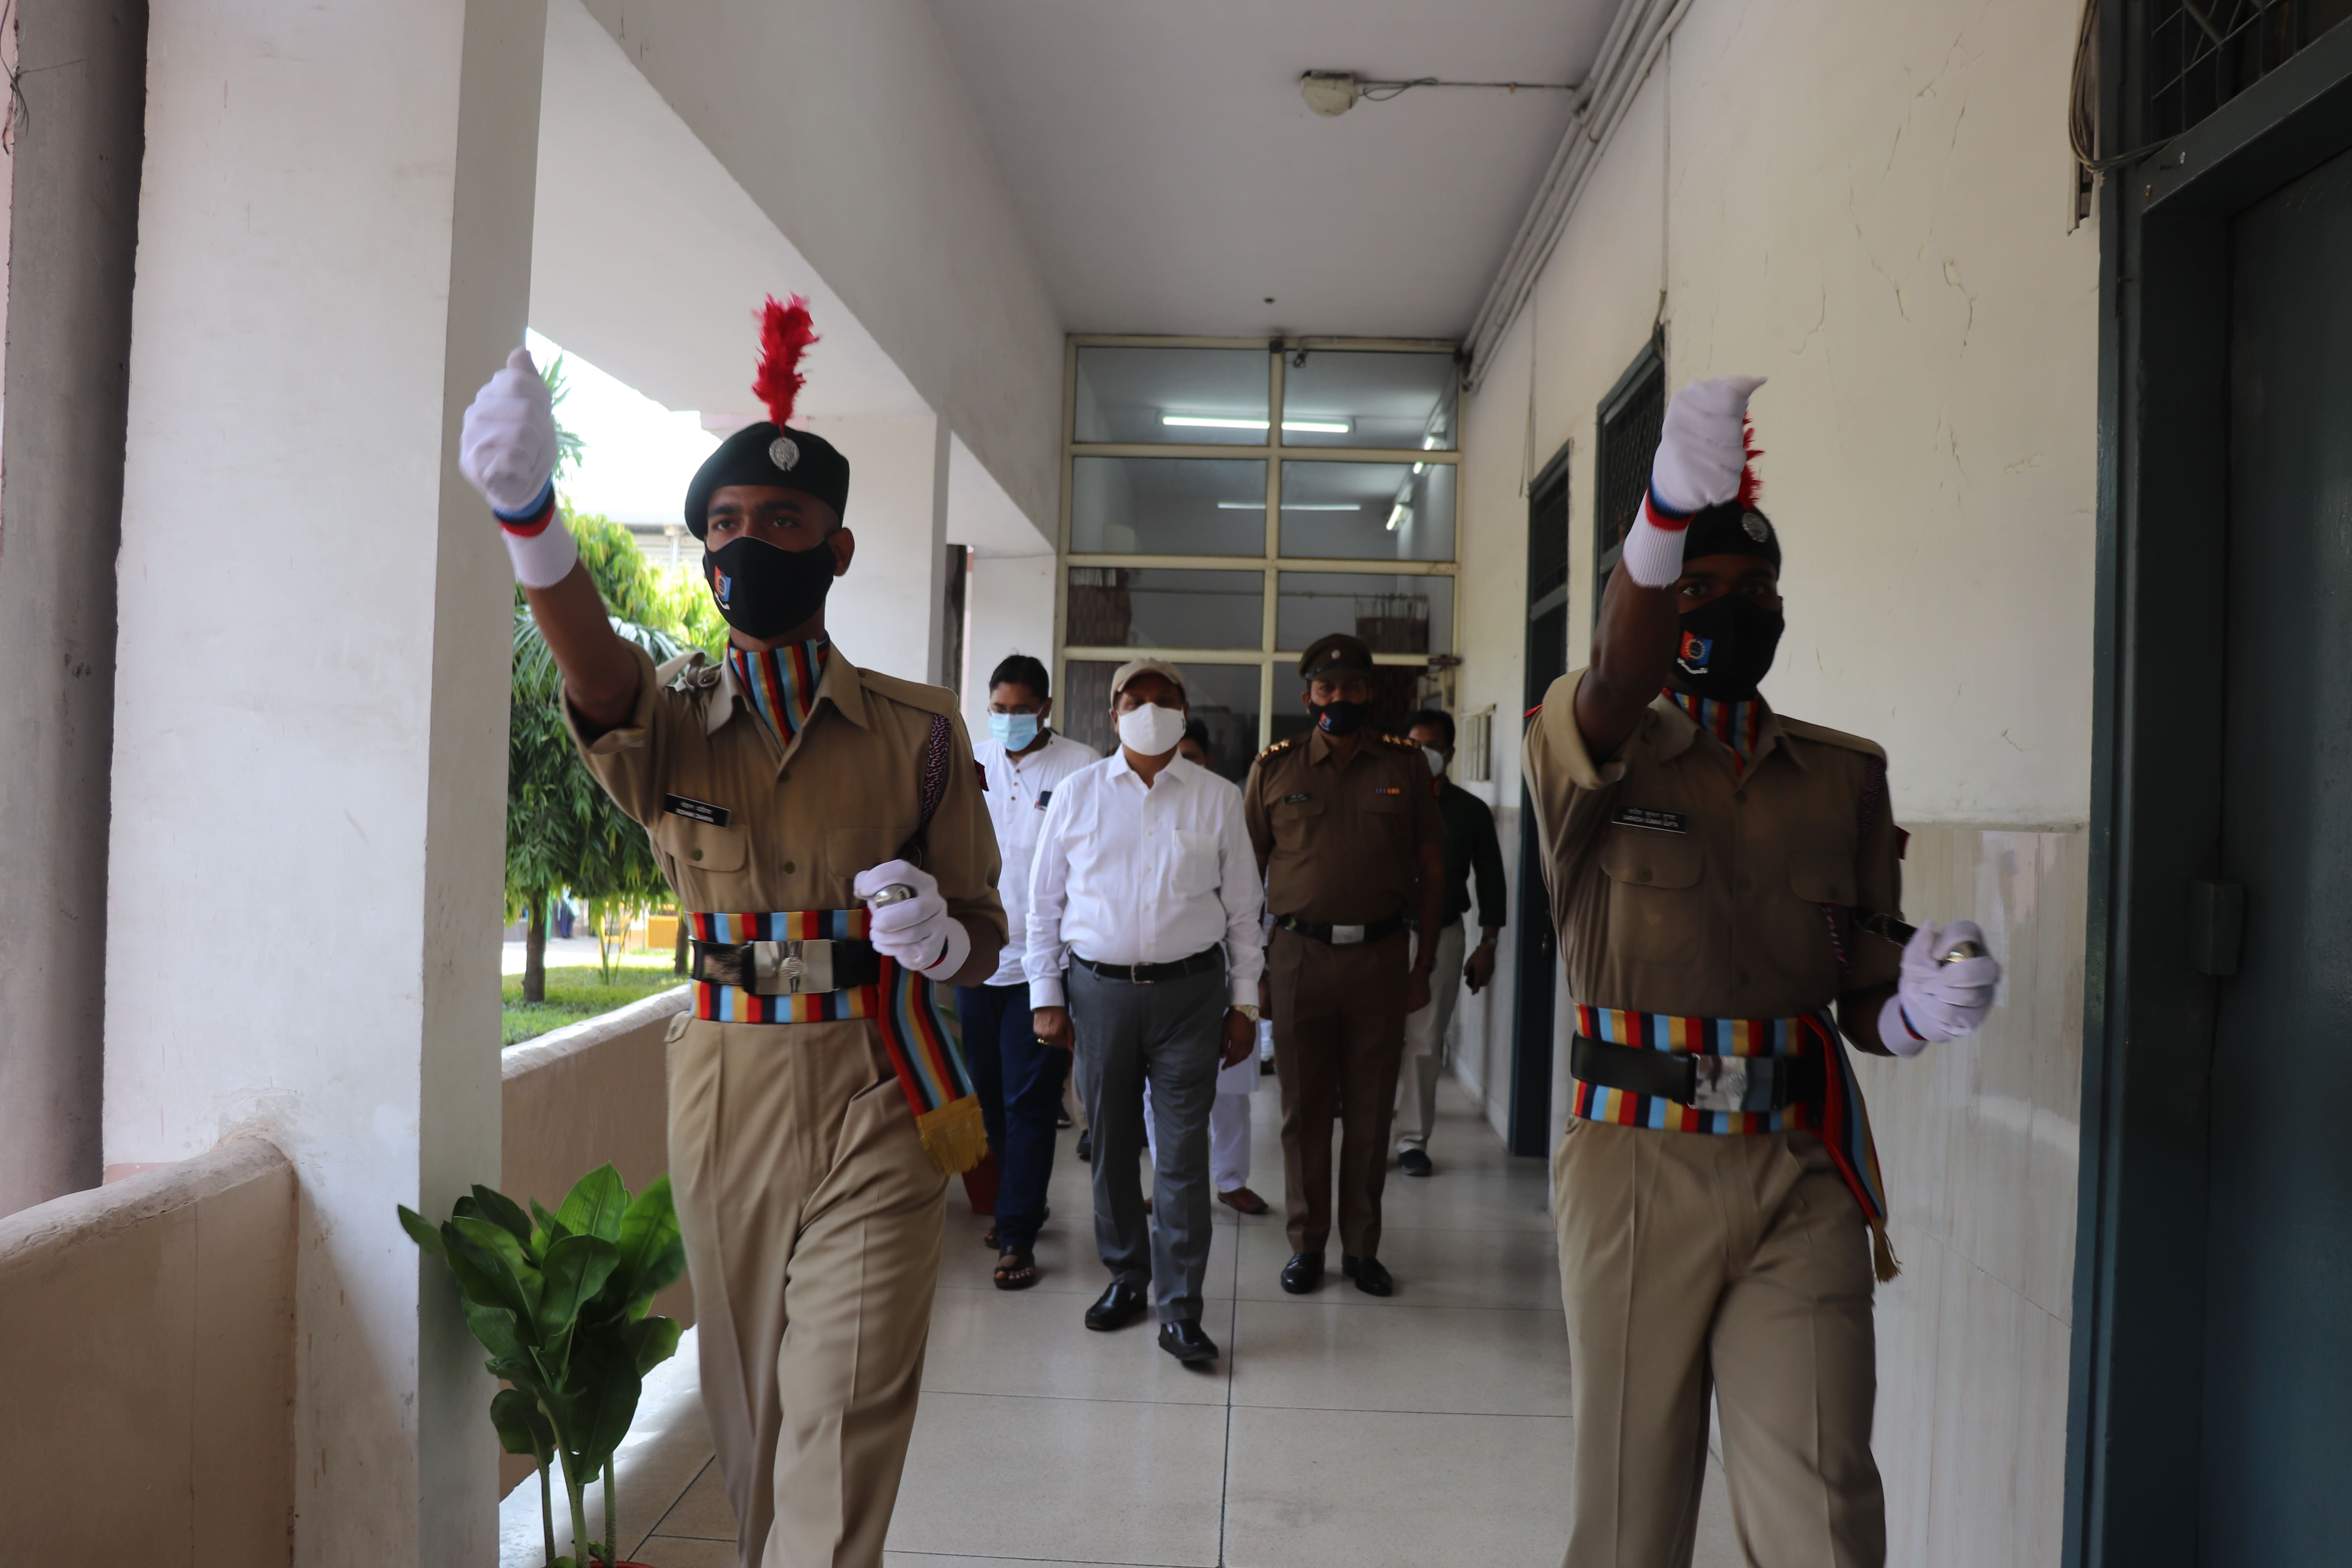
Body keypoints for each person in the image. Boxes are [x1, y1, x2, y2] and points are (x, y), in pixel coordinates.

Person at [457, 298, 1004, 1568]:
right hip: (727, 1083)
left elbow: (984, 929)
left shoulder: (922, 732)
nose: (749, 544)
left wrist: (944, 941)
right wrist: (533, 525)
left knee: (843, 1417)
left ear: (839, 548)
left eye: (783, 523)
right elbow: (597, 674)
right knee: (752, 1422)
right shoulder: (671, 724)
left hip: (884, 1085)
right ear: (706, 556)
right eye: (726, 525)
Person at [1522, 374, 2002, 1568]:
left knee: (1824, 1510)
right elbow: (1616, 676)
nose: (1733, 610)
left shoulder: (1842, 776)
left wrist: (1919, 1002)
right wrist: (1661, 513)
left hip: (1798, 1170)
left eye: (1755, 592)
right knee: (1629, 1518)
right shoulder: (1589, 752)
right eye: (1700, 589)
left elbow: (1860, 989)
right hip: (1637, 1162)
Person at [1027, 660, 1263, 1363]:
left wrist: (1245, 1004)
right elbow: (1043, 905)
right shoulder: (1078, 794)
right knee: (1111, 1144)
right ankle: (1128, 1277)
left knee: (1183, 1155)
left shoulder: (1218, 798)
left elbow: (1245, 913)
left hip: (1192, 996)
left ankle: (1182, 1306)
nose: (1150, 711)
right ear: (1114, 714)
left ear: (1185, 713)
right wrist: (1046, 997)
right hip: (1098, 993)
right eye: (1136, 700)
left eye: (1165, 700)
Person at [1245, 635, 1444, 1298]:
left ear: (1371, 694)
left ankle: (1362, 1248)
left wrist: (1424, 964)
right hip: (1297, 956)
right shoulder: (1274, 768)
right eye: (1327, 689)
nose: (1340, 698)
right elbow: (1246, 878)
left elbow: (1432, 867)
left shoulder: (1406, 765)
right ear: (1308, 698)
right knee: (1302, 1110)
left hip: (1381, 958)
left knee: (1371, 1109)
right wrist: (1253, 973)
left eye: (1353, 687)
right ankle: (1306, 1245)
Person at [958, 653, 1096, 1289]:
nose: (1009, 719)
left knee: (1031, 1102)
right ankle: (1025, 1202)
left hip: (1045, 966)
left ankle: (1017, 1235)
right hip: (977, 960)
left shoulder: (1080, 767)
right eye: (999, 709)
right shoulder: (972, 764)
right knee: (990, 1098)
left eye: (1021, 710)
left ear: (1045, 709)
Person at [1141, 719, 1270, 1216]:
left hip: (1220, 969)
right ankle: (1167, 1180)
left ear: (1207, 762)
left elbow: (1248, 905)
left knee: (1229, 1089)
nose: (1177, 766)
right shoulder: (1138, 813)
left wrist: (1249, 989)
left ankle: (1231, 1180)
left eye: (1189, 756)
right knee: (1158, 1092)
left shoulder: (1222, 805)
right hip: (1162, 979)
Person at [1391, 708, 1508, 1177]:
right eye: (1414, 745)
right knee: (1374, 1039)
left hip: (1441, 936)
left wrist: (1489, 943)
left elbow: (1492, 878)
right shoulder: (1385, 800)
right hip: (1382, 936)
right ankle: (1370, 1135)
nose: (1423, 754)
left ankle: (1412, 1141)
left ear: (1452, 752)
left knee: (1424, 1041)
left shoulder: (1469, 811)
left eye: (1433, 746)